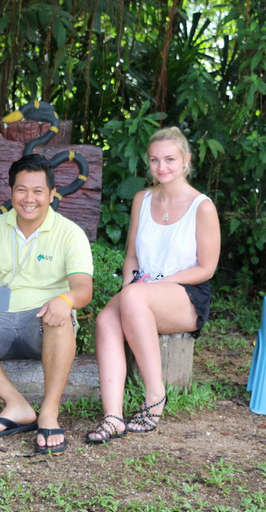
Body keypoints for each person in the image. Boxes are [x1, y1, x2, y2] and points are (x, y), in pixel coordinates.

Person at [0, 154, 94, 454]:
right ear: (11, 192)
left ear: (52, 195)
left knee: (59, 315)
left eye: (38, 191)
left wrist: (64, 300)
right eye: (21, 190)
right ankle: (17, 405)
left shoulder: (70, 233)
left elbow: (83, 289)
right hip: (1, 320)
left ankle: (49, 412)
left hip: (42, 324)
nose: (29, 199)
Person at [86, 127, 220, 443]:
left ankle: (154, 396)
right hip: (142, 289)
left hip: (186, 294)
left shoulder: (202, 207)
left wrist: (155, 283)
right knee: (106, 318)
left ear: (186, 160)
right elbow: (131, 255)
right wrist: (135, 282)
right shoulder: (142, 199)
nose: (162, 167)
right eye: (155, 160)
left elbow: (207, 268)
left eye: (170, 159)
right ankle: (113, 416)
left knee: (131, 298)